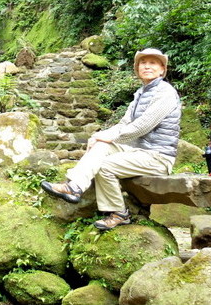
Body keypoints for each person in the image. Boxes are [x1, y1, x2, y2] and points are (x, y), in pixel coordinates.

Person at [41, 48, 181, 231]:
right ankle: (74, 186)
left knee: (105, 165)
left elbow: (142, 126)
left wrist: (109, 136)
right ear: (137, 68)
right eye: (143, 63)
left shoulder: (165, 93)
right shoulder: (141, 93)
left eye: (152, 63)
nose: (146, 66)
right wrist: (99, 136)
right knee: (100, 146)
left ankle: (119, 213)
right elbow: (124, 123)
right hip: (137, 152)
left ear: (162, 70)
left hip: (157, 157)